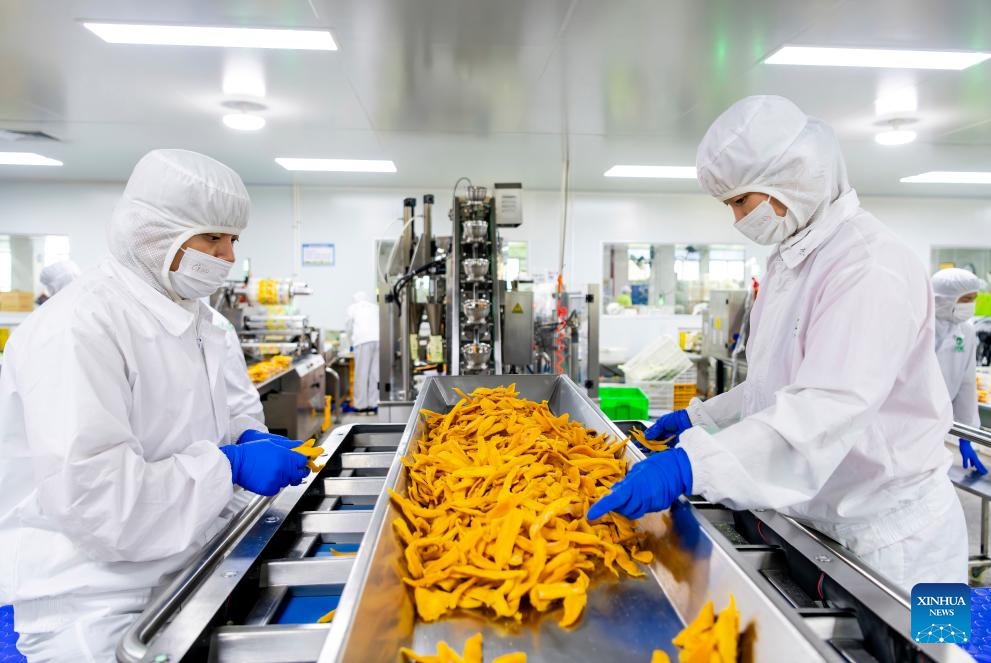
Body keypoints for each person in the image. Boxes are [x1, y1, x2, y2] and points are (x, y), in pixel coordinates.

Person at [589, 96, 966, 593]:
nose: (737, 218)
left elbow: (826, 408)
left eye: (741, 201)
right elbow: (773, 390)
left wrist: (692, 465)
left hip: (902, 541)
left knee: (941, 654)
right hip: (824, 526)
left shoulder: (869, 266)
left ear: (792, 178)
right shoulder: (792, 262)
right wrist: (702, 420)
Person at [0, 149, 310, 661]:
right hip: (95, 600)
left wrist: (247, 439)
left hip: (189, 565)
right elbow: (99, 502)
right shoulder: (78, 327)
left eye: (234, 240)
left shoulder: (208, 324)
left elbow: (231, 418)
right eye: (213, 237)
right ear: (153, 232)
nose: (228, 257)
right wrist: (228, 467)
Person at [932, 268, 988, 475]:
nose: (970, 306)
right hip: (903, 420)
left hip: (937, 420)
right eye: (966, 299)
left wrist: (968, 435)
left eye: (973, 299)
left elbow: (967, 384)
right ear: (943, 299)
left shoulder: (966, 331)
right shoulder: (918, 325)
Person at [345, 291, 380, 413]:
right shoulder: (375, 308)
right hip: (377, 340)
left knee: (361, 373)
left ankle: (360, 406)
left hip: (362, 341)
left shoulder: (353, 308)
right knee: (375, 374)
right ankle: (373, 404)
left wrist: (350, 343)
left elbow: (349, 327)